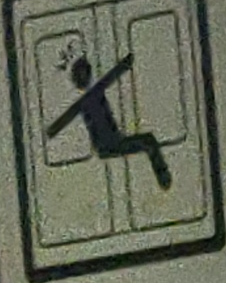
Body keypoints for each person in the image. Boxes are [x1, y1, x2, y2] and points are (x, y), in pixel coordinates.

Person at [45, 52, 171, 189]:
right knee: (149, 141)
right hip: (111, 144)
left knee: (148, 141)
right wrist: (125, 64)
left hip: (106, 145)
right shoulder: (92, 94)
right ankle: (164, 179)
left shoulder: (83, 101)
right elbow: (110, 77)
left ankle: (163, 179)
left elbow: (63, 120)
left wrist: (51, 131)